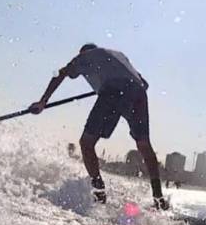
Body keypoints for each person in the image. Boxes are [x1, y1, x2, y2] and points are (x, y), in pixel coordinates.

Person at [30, 44, 168, 209]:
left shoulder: (85, 56)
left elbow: (60, 74)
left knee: (86, 143)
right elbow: (144, 83)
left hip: (112, 92)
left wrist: (43, 101)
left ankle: (99, 192)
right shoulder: (118, 54)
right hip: (138, 93)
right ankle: (158, 198)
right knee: (144, 144)